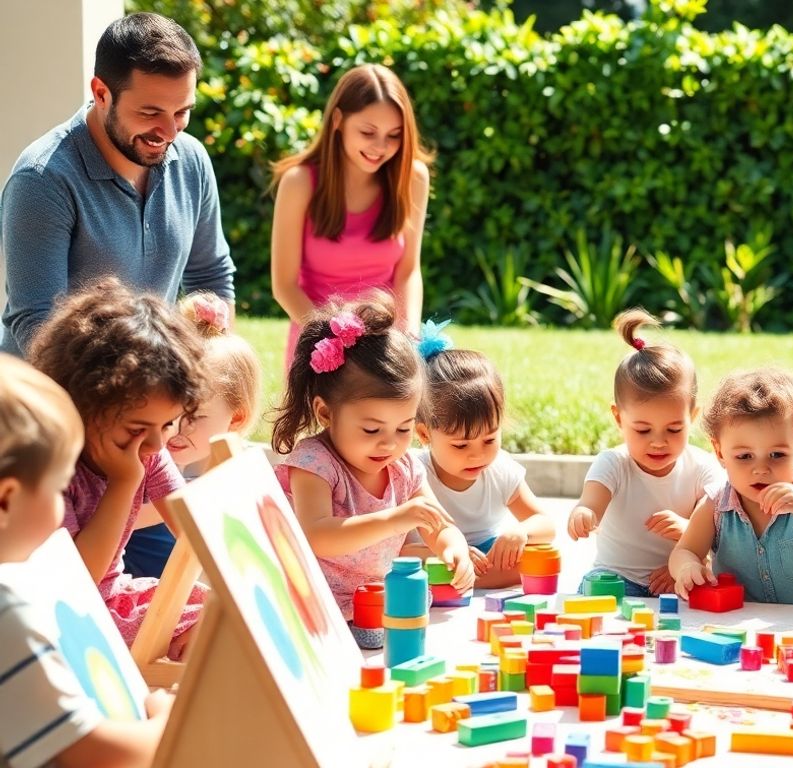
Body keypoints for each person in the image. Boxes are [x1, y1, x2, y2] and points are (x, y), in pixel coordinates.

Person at [0, 12, 234, 356]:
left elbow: (211, 277)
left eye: (182, 112)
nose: (170, 133)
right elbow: (39, 326)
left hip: (153, 393)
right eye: (150, 113)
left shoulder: (192, 160)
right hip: (51, 398)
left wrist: (210, 379)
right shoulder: (42, 179)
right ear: (101, 93)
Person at [0, 355, 175, 768]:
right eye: (59, 488)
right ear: (6, 499)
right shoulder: (7, 613)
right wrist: (164, 721)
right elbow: (105, 757)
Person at [27, 278, 211, 658]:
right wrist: (125, 482)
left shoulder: (146, 450)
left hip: (115, 597)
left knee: (220, 613)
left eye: (167, 424)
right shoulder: (52, 472)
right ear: (83, 405)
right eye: (137, 429)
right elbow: (76, 582)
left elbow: (196, 531)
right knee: (209, 638)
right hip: (62, 619)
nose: (157, 444)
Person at [270, 296, 474, 630]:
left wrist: (454, 547)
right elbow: (317, 534)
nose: (389, 442)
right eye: (371, 429)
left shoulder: (403, 467)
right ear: (325, 413)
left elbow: (439, 523)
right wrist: (394, 519)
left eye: (404, 428)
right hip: (317, 609)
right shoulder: (315, 462)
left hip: (379, 602)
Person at [271, 64, 433, 361]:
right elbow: (284, 285)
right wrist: (332, 340)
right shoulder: (299, 182)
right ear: (337, 120)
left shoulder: (414, 178)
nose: (380, 147)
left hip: (385, 342)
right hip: (319, 344)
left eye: (394, 135)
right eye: (368, 132)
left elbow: (409, 270)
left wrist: (407, 337)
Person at [669, 367, 793, 604]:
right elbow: (684, 551)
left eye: (777, 455)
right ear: (719, 452)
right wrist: (687, 566)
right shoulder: (716, 505)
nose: (761, 469)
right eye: (745, 457)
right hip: (746, 624)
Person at [568, 309, 724, 597]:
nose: (658, 442)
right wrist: (584, 514)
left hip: (676, 576)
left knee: (705, 593)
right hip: (617, 576)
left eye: (674, 429)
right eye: (642, 430)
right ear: (618, 419)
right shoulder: (613, 463)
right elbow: (591, 502)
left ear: (693, 416)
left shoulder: (702, 467)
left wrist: (689, 535)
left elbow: (723, 530)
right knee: (596, 595)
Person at [123, 292, 262, 578]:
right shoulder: (143, 456)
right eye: (171, 413)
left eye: (195, 417)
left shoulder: (236, 466)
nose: (174, 428)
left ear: (236, 417)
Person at [413, 325, 554, 588]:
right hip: (432, 552)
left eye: (489, 439)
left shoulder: (499, 468)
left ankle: (460, 580)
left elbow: (546, 525)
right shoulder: (415, 472)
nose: (477, 455)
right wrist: (453, 554)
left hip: (485, 553)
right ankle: (459, 575)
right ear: (424, 434)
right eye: (461, 445)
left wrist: (520, 532)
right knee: (405, 560)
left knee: (541, 558)